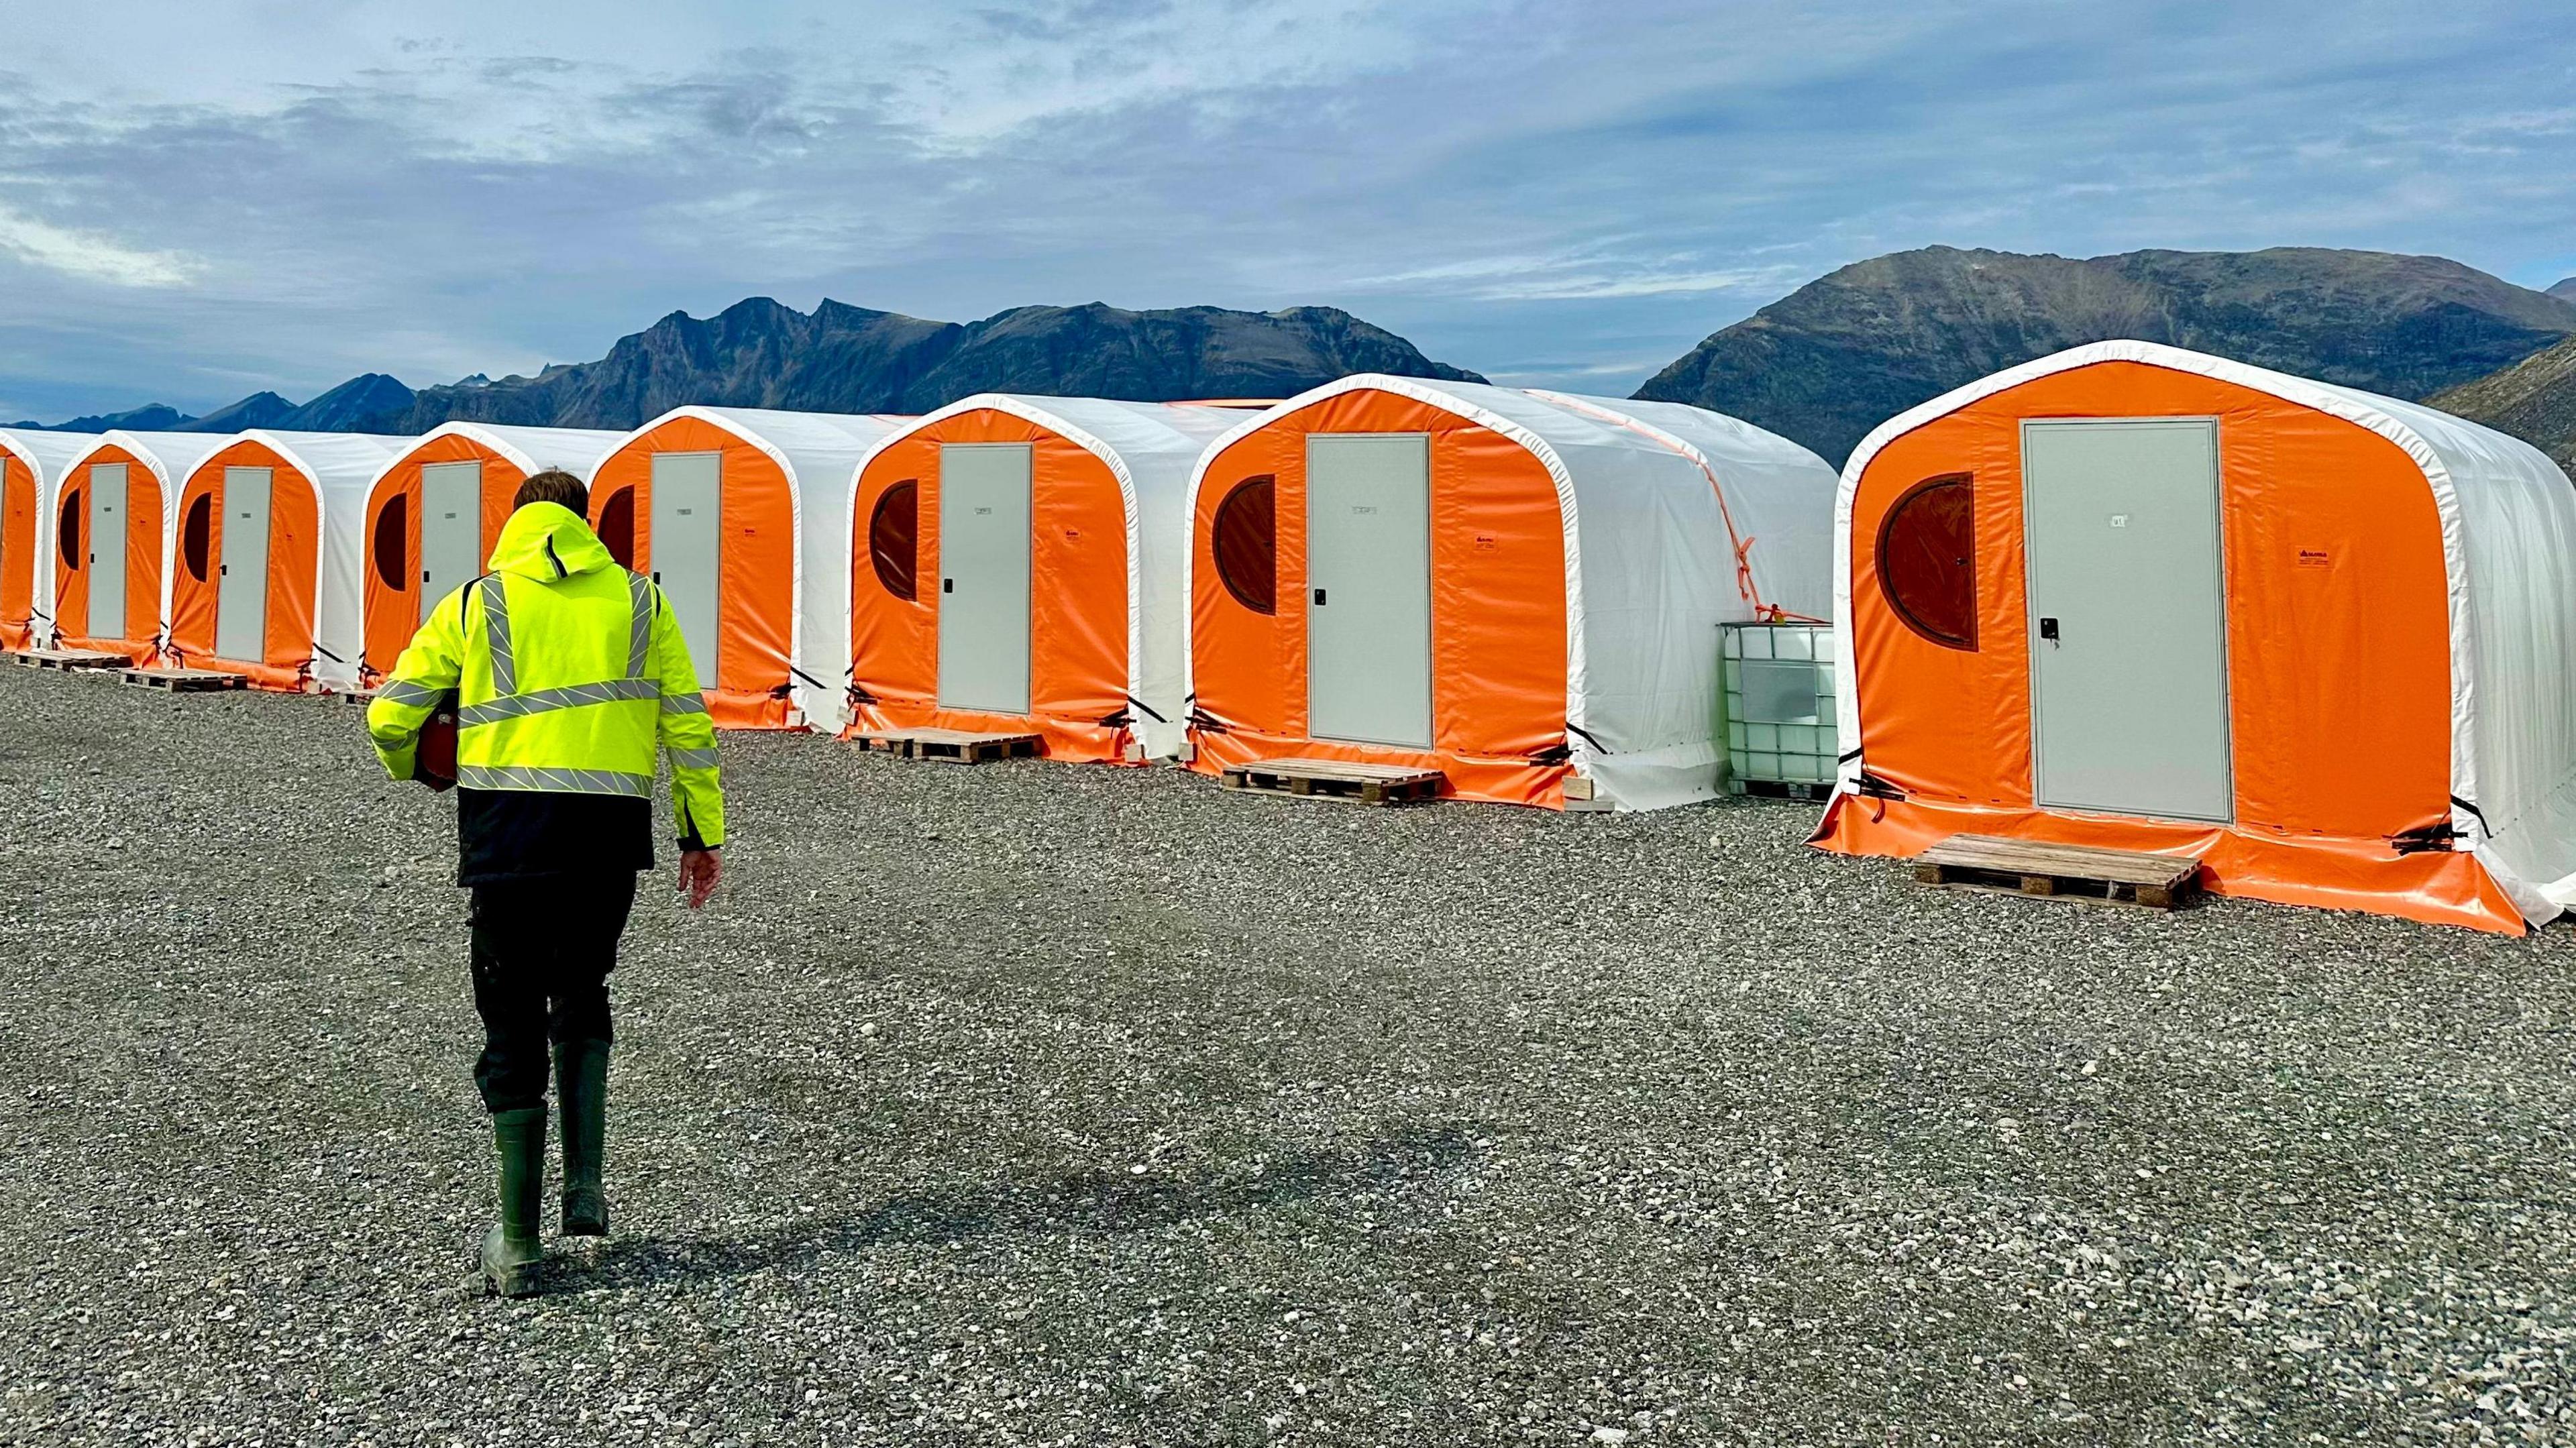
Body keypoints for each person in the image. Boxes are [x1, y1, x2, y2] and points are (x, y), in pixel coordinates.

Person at [366, 468, 724, 1298]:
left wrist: (415, 769)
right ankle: (586, 1188)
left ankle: (520, 1242)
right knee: (583, 985)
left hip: (510, 839)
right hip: (607, 840)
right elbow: (690, 728)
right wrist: (699, 832)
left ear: (519, 522)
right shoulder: (644, 602)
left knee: (511, 1014)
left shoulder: (475, 603)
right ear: (589, 524)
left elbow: (390, 715)